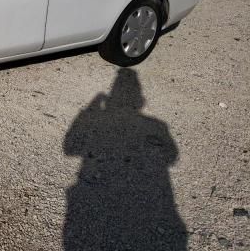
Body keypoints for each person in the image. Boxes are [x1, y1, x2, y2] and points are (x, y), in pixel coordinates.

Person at [63, 68, 187, 250]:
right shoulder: (157, 125)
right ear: (141, 101)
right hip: (148, 201)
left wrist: (92, 108)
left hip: (93, 199)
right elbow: (172, 157)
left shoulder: (155, 125)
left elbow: (69, 148)